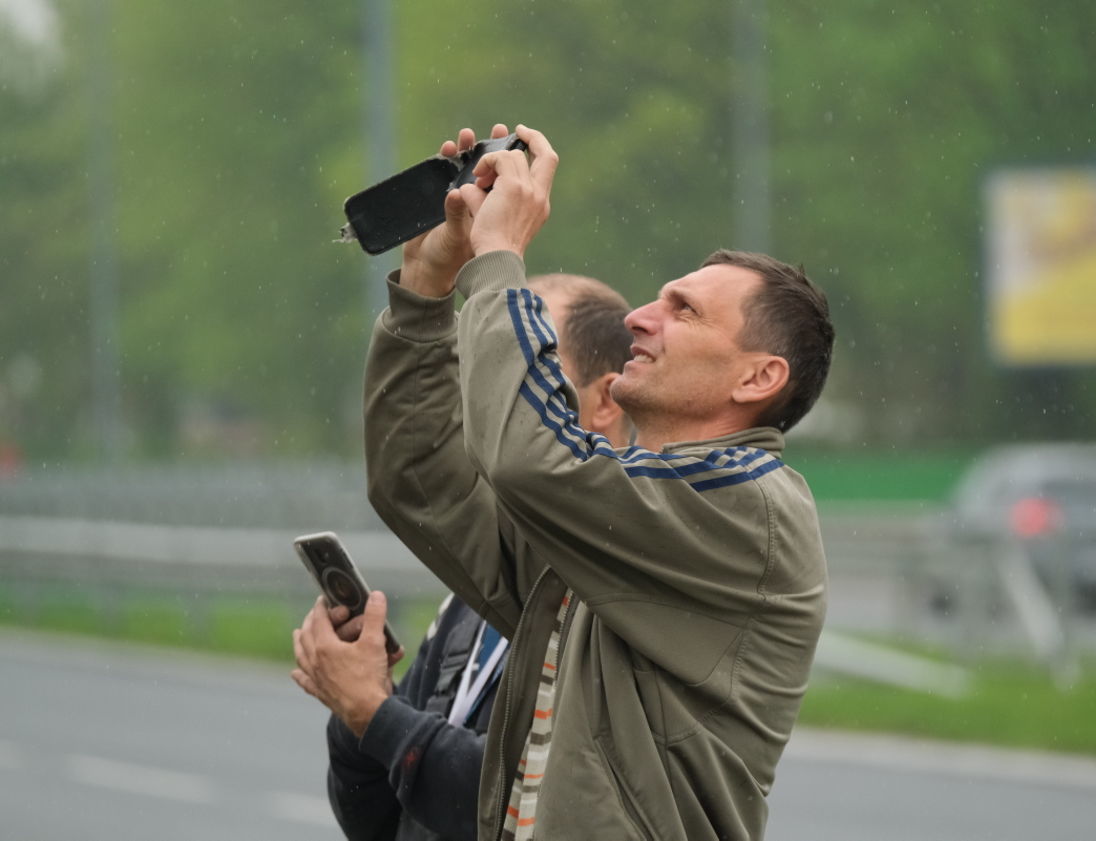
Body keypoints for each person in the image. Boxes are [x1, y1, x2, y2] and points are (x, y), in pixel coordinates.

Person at [297, 122, 835, 841]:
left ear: (759, 376)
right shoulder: (625, 519)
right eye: (658, 299)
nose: (640, 318)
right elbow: (421, 479)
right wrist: (427, 286)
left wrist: (500, 255)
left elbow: (528, 459)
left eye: (684, 310)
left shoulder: (751, 506)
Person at [299, 275, 634, 841]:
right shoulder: (479, 581)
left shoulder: (617, 586)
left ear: (604, 399)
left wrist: (375, 715)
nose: (483, 392)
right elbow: (380, 821)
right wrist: (359, 709)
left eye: (518, 369)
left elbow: (530, 803)